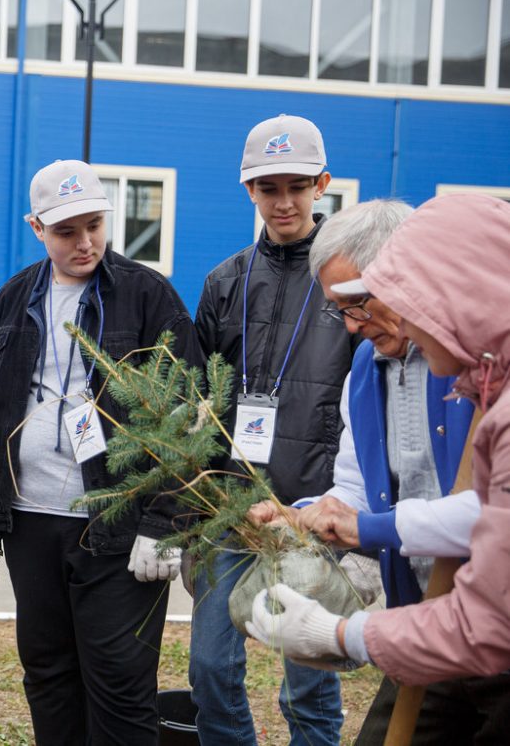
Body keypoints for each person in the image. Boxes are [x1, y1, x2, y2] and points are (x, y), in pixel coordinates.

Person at [0, 160, 205, 745]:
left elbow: (190, 419)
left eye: (95, 225)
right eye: (67, 231)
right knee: (47, 672)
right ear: (37, 227)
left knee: (120, 683)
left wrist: (166, 523)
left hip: (119, 531)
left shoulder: (147, 298)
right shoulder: (12, 303)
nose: (85, 242)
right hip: (31, 522)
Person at [249, 198, 510, 742]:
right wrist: (306, 517)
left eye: (360, 303)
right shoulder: (367, 372)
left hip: (484, 626)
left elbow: (482, 516)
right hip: (429, 618)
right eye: (339, 309)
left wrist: (346, 628)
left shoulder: (471, 373)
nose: (351, 326)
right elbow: (358, 488)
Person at [190, 113, 356, 746]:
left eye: (297, 186)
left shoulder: (344, 282)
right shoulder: (224, 282)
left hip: (310, 511)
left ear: (323, 184)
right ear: (248, 191)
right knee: (209, 665)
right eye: (268, 188)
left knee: (310, 678)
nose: (283, 202)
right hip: (228, 507)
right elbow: (200, 399)